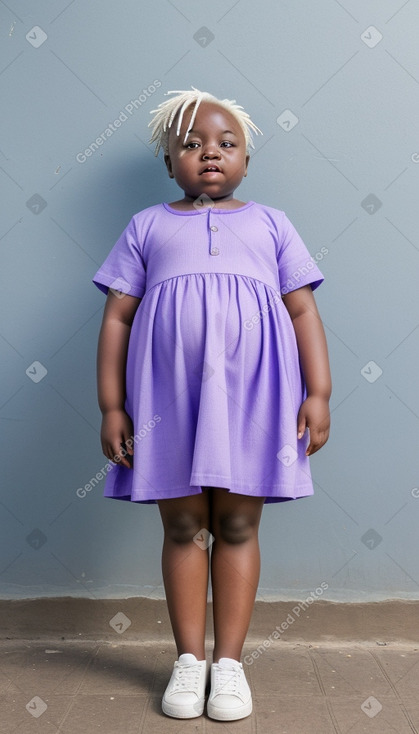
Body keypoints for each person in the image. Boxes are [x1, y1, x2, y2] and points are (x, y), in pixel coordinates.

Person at [92, 86, 331, 721]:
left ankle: (229, 665)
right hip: (166, 403)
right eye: (191, 144)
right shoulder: (147, 226)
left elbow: (302, 307)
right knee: (181, 526)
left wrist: (320, 393)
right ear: (169, 161)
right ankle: (188, 662)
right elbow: (118, 317)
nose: (210, 154)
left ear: (247, 160)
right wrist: (112, 406)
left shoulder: (272, 224)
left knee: (236, 524)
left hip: (256, 400)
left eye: (227, 144)